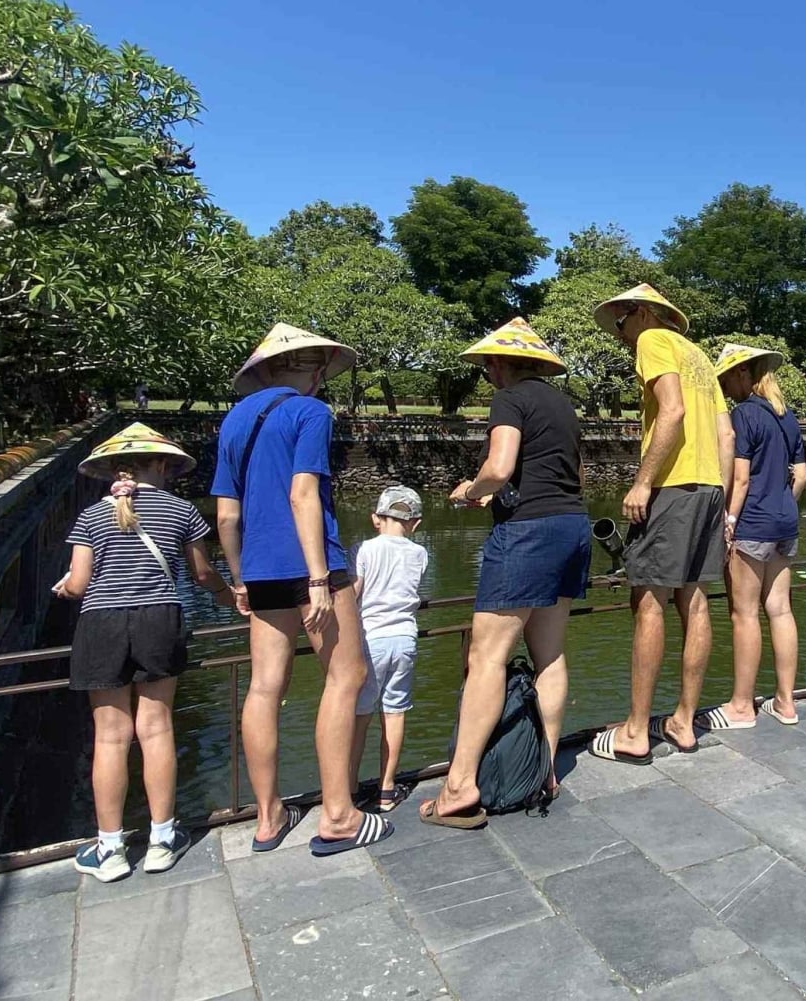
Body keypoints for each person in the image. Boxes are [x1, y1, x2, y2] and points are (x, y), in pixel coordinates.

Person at [211, 322, 392, 855]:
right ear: (308, 369)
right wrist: (318, 578)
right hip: (312, 563)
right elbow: (303, 494)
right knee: (347, 675)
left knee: (265, 686)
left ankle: (268, 818)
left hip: (259, 569)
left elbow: (226, 516)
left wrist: (239, 579)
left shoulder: (233, 421)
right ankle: (338, 815)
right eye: (319, 366)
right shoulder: (311, 412)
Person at [421, 318, 589, 827]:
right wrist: (496, 492)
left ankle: (459, 785)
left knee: (486, 656)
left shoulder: (509, 399)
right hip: (571, 525)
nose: (487, 374)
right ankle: (544, 770)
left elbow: (499, 466)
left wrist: (470, 491)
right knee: (550, 653)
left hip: (527, 534)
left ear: (499, 363)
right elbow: (572, 473)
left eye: (487, 366)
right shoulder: (563, 405)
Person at [56, 422, 240, 881]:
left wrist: (65, 587)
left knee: (110, 738)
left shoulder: (91, 515)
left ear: (115, 469)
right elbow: (202, 574)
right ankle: (162, 840)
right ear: (160, 464)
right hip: (159, 617)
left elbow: (79, 584)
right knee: (156, 729)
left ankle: (110, 849)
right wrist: (230, 596)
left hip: (101, 624)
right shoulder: (180, 509)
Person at [587, 284, 733, 763]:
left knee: (648, 601)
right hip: (710, 488)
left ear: (643, 313)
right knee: (695, 602)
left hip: (673, 486)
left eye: (622, 323)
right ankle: (683, 722)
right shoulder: (699, 356)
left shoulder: (653, 340)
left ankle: (634, 731)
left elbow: (672, 409)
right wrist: (722, 502)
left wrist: (643, 482)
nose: (621, 335)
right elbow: (726, 435)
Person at [697, 344, 806, 731]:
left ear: (743, 373)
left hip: (752, 524)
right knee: (780, 610)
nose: (725, 388)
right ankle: (786, 703)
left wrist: (728, 521)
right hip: (785, 523)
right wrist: (782, 504)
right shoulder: (787, 416)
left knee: (744, 613)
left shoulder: (743, 414)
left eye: (726, 379)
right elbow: (802, 477)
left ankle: (742, 706)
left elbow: (740, 479)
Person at [350, 485, 429, 814]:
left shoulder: (364, 549)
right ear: (415, 523)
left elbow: (354, 593)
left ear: (376, 518)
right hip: (405, 639)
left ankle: (349, 787)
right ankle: (386, 788)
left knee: (359, 715)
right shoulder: (420, 554)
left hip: (371, 639)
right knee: (395, 712)